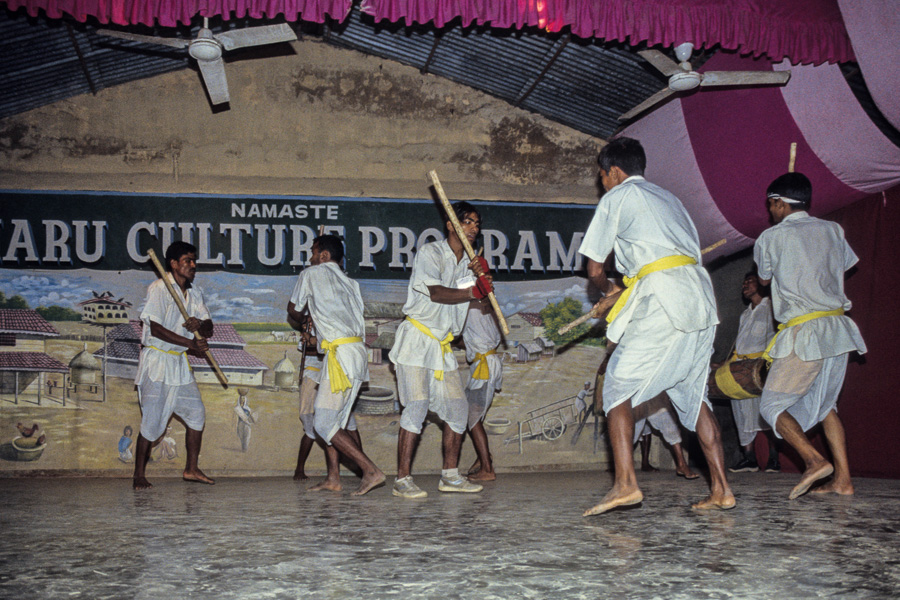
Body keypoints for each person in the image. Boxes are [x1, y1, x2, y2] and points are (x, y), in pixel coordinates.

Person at [578, 137, 734, 515]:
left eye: (602, 176)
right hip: (699, 299)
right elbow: (664, 261)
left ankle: (626, 484)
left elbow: (595, 269)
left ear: (614, 171)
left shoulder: (617, 197)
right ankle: (722, 490)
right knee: (692, 394)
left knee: (615, 385)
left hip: (665, 298)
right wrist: (621, 293)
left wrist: (608, 289)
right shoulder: (671, 200)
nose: (603, 183)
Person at [754, 172, 866, 499]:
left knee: (771, 406)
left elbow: (763, 280)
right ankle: (843, 479)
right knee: (827, 407)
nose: (769, 211)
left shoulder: (770, 238)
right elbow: (841, 266)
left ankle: (813, 460)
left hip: (805, 331)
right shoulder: (832, 230)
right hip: (838, 331)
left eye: (770, 204)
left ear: (778, 202)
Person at [388, 200, 490, 498]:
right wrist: (474, 290)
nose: (474, 227)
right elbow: (436, 293)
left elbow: (478, 302)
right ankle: (402, 480)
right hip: (416, 341)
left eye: (477, 223)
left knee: (458, 410)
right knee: (416, 405)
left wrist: (482, 281)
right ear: (450, 224)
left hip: (442, 347)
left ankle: (450, 476)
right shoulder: (431, 252)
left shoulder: (468, 264)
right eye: (467, 221)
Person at [287, 234, 385, 496]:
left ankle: (370, 470)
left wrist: (305, 314)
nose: (310, 258)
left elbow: (293, 310)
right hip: (354, 352)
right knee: (335, 421)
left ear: (324, 256)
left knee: (323, 423)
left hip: (340, 354)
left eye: (313, 253)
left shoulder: (311, 274)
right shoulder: (351, 283)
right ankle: (333, 478)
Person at [132, 241, 215, 490]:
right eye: (187, 260)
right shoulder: (160, 288)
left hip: (178, 364)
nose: (193, 265)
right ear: (173, 264)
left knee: (196, 413)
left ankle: (191, 469)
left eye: (194, 261)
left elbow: (209, 327)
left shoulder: (195, 293)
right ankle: (138, 475)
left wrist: (198, 324)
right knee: (152, 420)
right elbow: (155, 329)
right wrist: (190, 343)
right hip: (157, 361)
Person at [719, 272, 781, 473]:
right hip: (741, 367)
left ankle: (773, 459)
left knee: (765, 412)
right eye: (743, 282)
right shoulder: (744, 314)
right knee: (741, 412)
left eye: (749, 281)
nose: (744, 285)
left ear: (762, 284)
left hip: (763, 367)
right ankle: (749, 459)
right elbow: (740, 344)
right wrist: (725, 364)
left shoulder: (772, 307)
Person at [291, 318, 364, 482]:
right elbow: (311, 350)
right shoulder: (308, 330)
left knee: (348, 421)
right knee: (312, 425)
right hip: (313, 375)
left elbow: (327, 349)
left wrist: (317, 342)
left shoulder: (331, 327)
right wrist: (312, 340)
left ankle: (362, 468)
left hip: (333, 375)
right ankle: (300, 469)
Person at [462, 295, 503, 482]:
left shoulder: (468, 307)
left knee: (472, 416)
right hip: (488, 363)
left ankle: (487, 468)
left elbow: (460, 336)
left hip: (484, 367)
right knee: (476, 415)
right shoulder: (488, 307)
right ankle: (483, 458)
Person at [634, 404, 699, 479]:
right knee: (633, 431)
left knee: (668, 423)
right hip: (634, 400)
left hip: (650, 398)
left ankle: (682, 465)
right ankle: (622, 470)